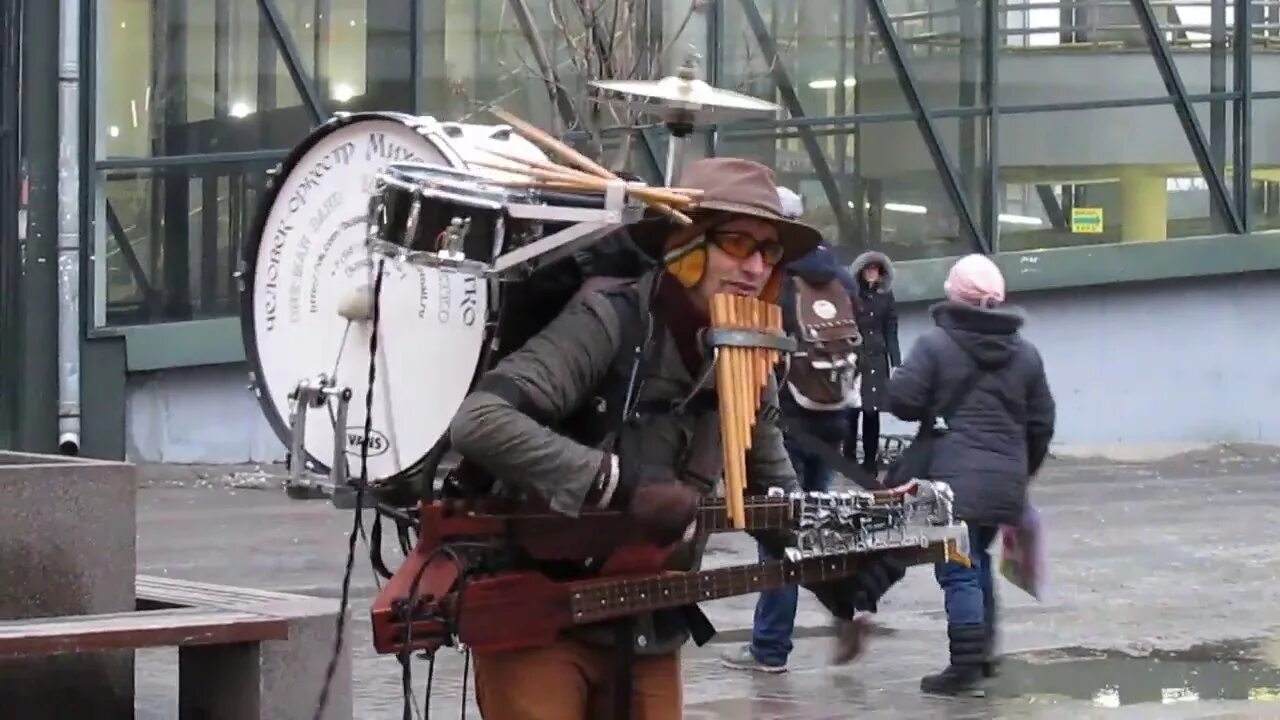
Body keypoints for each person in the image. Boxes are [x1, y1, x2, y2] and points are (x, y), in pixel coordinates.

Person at [448, 158, 893, 720]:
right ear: (686, 247)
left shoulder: (750, 353)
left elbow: (775, 496)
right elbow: (481, 420)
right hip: (542, 609)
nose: (755, 267)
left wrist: (834, 580)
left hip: (649, 616)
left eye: (769, 251)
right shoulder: (609, 319)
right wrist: (617, 484)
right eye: (737, 243)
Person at [886, 253, 1056, 697]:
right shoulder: (1026, 353)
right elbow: (1042, 423)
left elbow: (901, 400)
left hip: (949, 480)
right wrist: (1023, 471)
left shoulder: (935, 345)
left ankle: (964, 666)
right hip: (1005, 480)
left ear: (954, 295)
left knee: (958, 568)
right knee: (975, 557)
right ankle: (983, 655)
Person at [721, 189, 868, 674]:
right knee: (815, 526)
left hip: (784, 423)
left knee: (777, 535)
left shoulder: (775, 281)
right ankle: (847, 606)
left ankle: (769, 648)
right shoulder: (841, 276)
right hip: (834, 421)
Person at [847, 251, 900, 474]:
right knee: (851, 409)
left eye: (875, 270)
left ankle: (870, 461)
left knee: (872, 410)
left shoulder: (886, 297)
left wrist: (896, 360)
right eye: (868, 269)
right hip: (855, 356)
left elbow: (891, 328)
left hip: (877, 359)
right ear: (861, 272)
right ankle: (848, 458)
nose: (871, 273)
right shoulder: (852, 295)